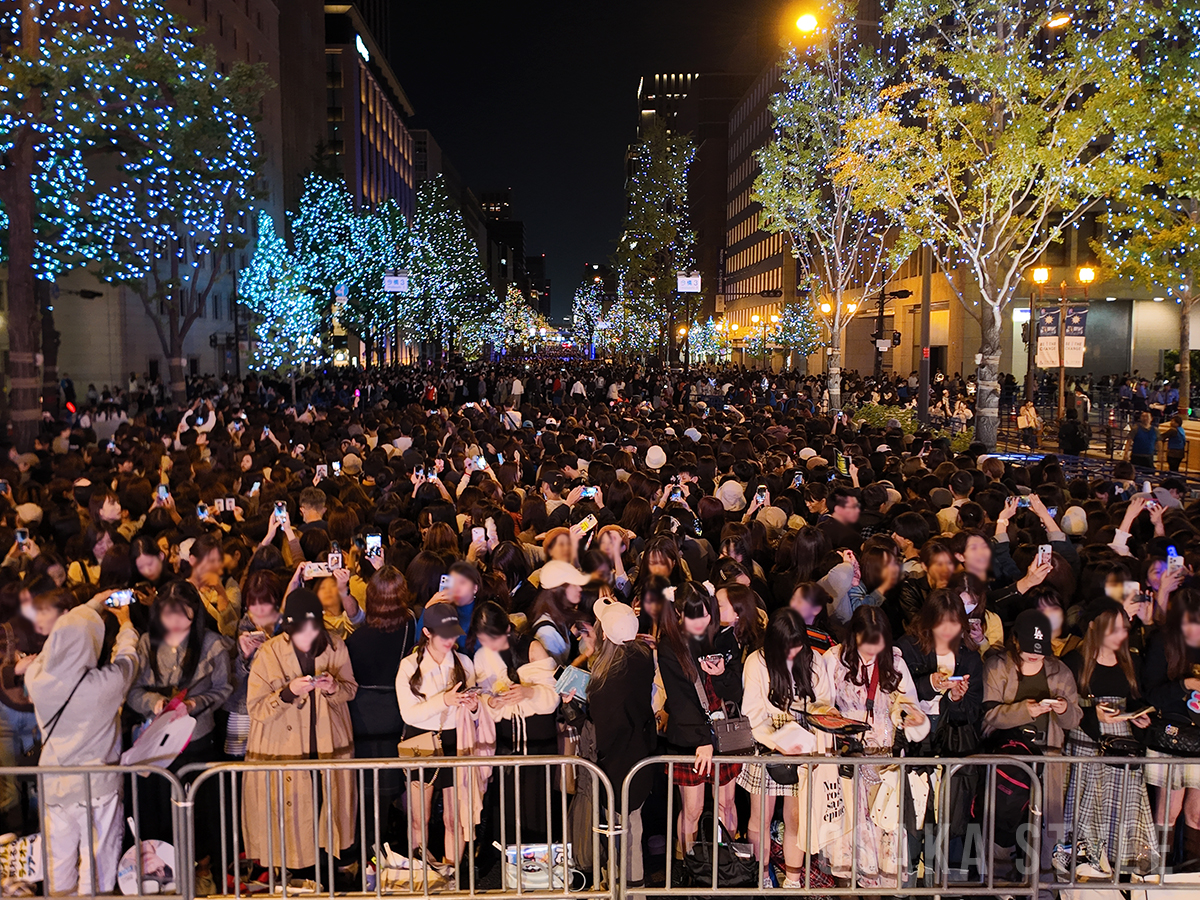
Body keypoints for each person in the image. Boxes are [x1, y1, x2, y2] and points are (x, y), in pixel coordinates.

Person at [25, 597, 139, 895]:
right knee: (98, 864)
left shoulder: (37, 679)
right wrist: (125, 623)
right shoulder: (104, 685)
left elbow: (48, 653)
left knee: (58, 863)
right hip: (98, 787)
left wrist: (86, 609)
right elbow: (129, 658)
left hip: (55, 785)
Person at [242, 589, 359, 874]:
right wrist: (286, 693)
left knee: (328, 817)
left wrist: (333, 688)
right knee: (290, 828)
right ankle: (294, 877)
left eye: (312, 630)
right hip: (283, 748)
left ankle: (329, 877)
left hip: (327, 745)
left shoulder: (335, 646)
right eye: (299, 632)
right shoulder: (269, 653)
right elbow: (255, 708)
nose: (306, 638)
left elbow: (351, 689)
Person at [127, 581, 232, 877]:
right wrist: (155, 702)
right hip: (156, 740)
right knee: (160, 804)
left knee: (202, 805)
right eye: (166, 613)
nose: (173, 621)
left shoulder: (211, 643)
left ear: (194, 612)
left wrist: (197, 702)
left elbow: (224, 688)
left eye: (181, 613)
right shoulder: (147, 643)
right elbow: (132, 690)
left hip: (197, 736)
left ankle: (204, 867)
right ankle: (167, 870)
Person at [825, 606, 929, 888]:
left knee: (884, 841)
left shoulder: (894, 663)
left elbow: (910, 706)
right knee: (847, 847)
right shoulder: (834, 660)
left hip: (886, 769)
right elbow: (822, 705)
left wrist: (912, 718)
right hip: (846, 765)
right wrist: (832, 718)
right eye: (865, 643)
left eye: (877, 644)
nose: (871, 651)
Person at [738, 608, 834, 887]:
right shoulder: (756, 662)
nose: (792, 653)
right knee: (760, 817)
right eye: (786, 647)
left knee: (796, 818)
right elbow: (752, 714)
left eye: (797, 646)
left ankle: (793, 880)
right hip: (768, 748)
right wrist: (779, 740)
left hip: (804, 747)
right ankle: (762, 876)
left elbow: (825, 702)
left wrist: (810, 735)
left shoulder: (813, 660)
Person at [1062, 601, 1159, 876]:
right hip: (1087, 746)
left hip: (1123, 748)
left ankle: (1122, 878)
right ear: (1094, 626)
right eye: (1113, 628)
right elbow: (1067, 708)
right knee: (1086, 817)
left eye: (1123, 629)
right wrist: (1094, 715)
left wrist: (1139, 718)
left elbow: (1138, 701)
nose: (1119, 635)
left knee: (1124, 819)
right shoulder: (1075, 661)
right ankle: (1083, 875)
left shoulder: (1132, 661)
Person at [982, 609, 1082, 870]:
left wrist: (1063, 709)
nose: (1034, 653)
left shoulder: (1060, 671)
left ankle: (1043, 887)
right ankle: (1000, 886)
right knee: (1002, 825)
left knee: (1047, 829)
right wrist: (1026, 710)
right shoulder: (998, 666)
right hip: (1008, 759)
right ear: (1015, 639)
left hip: (1047, 757)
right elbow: (990, 717)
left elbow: (1074, 719)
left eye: (1040, 649)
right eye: (1029, 648)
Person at [655, 582, 743, 848]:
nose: (700, 621)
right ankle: (688, 867)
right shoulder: (670, 646)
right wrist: (702, 740)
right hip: (691, 736)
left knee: (727, 804)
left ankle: (727, 866)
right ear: (679, 612)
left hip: (725, 731)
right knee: (692, 809)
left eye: (706, 614)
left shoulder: (722, 636)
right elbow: (680, 699)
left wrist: (722, 674)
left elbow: (736, 689)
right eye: (693, 615)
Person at [395, 601, 479, 872]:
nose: (450, 640)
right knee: (420, 817)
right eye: (444, 635)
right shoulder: (409, 666)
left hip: (457, 740)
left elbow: (475, 713)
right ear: (428, 633)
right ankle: (422, 875)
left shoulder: (464, 662)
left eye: (454, 633)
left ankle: (452, 875)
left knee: (455, 818)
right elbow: (408, 715)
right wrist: (444, 700)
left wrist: (474, 706)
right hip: (419, 740)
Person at [587, 598, 656, 887]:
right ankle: (631, 885)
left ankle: (624, 887)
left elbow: (604, 726)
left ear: (604, 633)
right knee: (633, 826)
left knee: (620, 829)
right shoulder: (642, 657)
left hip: (614, 763)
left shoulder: (607, 679)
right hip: (641, 754)